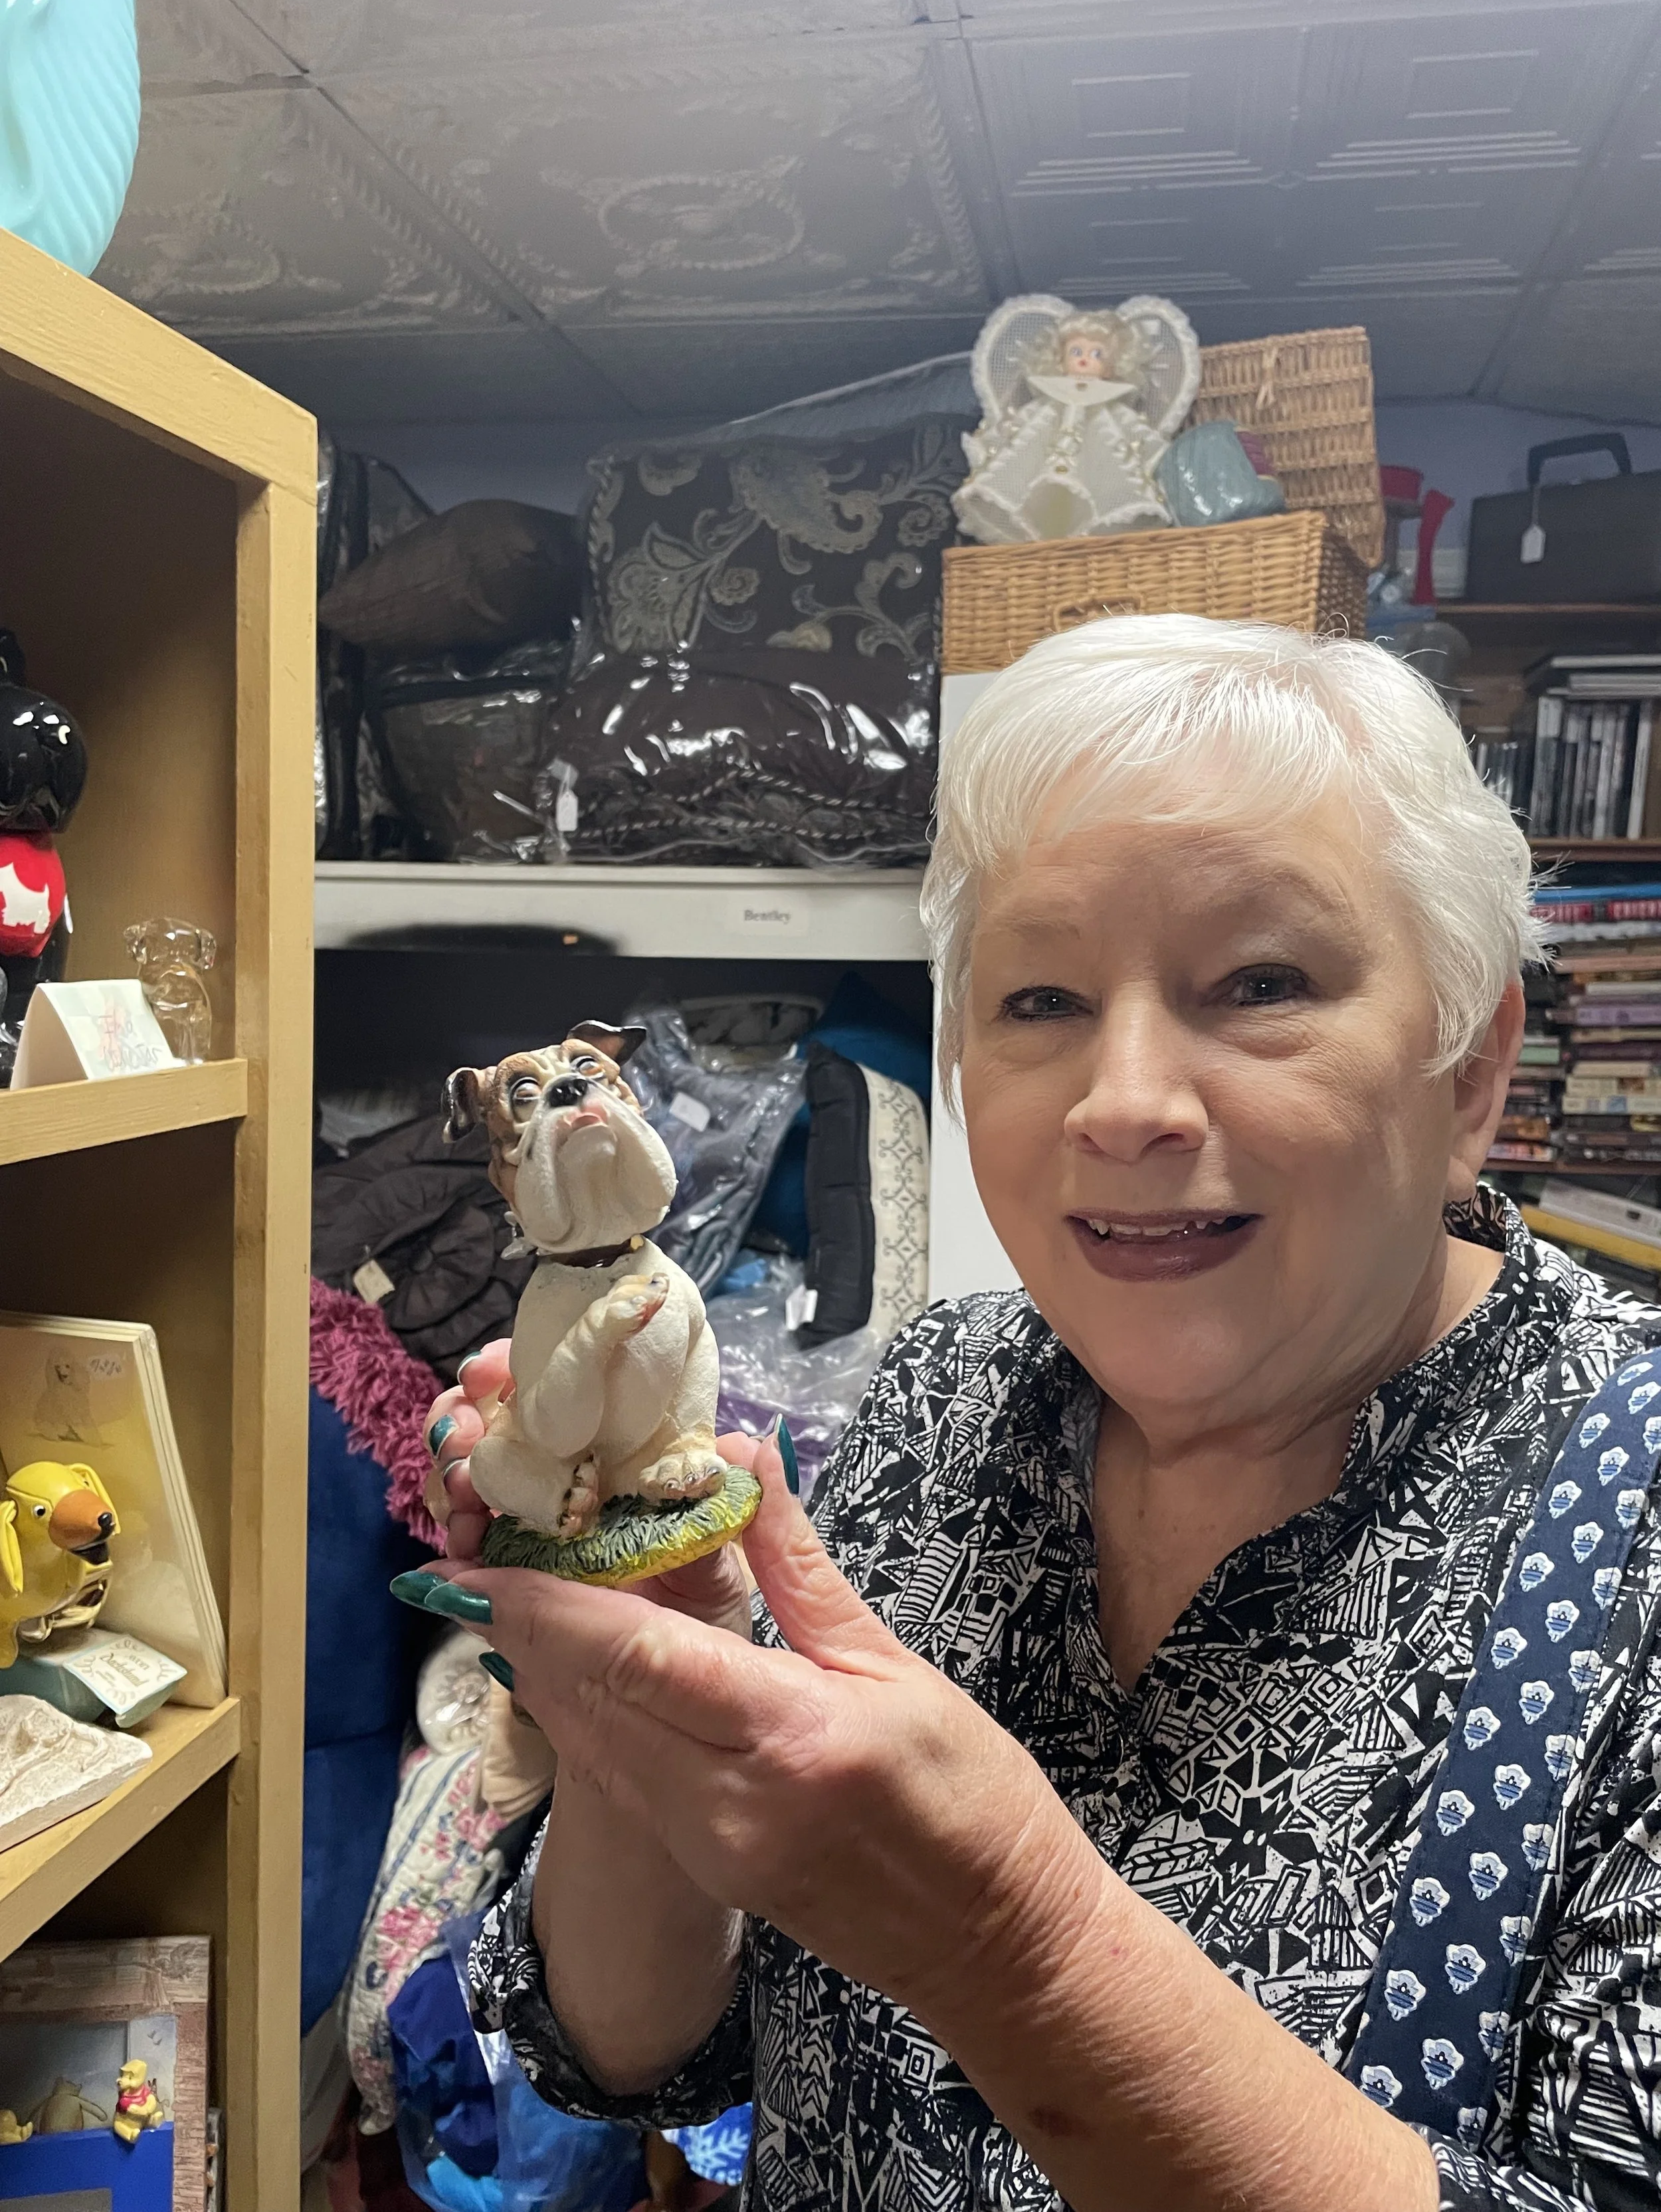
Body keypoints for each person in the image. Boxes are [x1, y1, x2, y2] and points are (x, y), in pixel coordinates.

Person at [407, 616, 1661, 2211]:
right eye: (1041, 999)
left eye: (1257, 983)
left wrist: (1013, 1945)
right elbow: (636, 2046)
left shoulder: (1630, 1529)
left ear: (1467, 1071)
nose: (1121, 1101)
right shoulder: (946, 1396)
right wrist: (645, 1724)